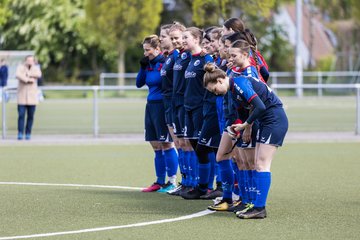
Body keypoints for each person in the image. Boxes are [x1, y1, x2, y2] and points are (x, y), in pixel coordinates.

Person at [203, 63, 288, 219]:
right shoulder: (233, 90)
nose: (216, 94)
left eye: (215, 90)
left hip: (274, 120)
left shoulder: (239, 83)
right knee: (256, 163)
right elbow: (245, 111)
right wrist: (238, 128)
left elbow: (260, 107)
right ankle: (253, 204)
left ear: (221, 80)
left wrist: (246, 125)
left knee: (261, 164)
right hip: (266, 122)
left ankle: (259, 208)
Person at [136, 35, 178, 192]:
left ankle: (172, 181)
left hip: (162, 105)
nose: (146, 53)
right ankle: (159, 181)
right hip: (150, 106)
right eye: (144, 50)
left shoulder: (165, 63)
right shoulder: (148, 64)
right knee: (155, 144)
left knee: (166, 143)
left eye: (148, 50)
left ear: (158, 49)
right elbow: (139, 83)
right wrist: (142, 67)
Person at [15, 55, 42, 140]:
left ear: (34, 61)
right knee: (21, 115)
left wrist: (28, 74)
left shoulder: (36, 68)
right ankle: (20, 133)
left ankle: (28, 133)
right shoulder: (20, 67)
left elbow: (38, 75)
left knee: (30, 116)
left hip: (32, 97)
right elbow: (18, 75)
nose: (29, 62)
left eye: (31, 60)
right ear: (25, 61)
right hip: (22, 96)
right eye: (28, 60)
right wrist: (28, 79)